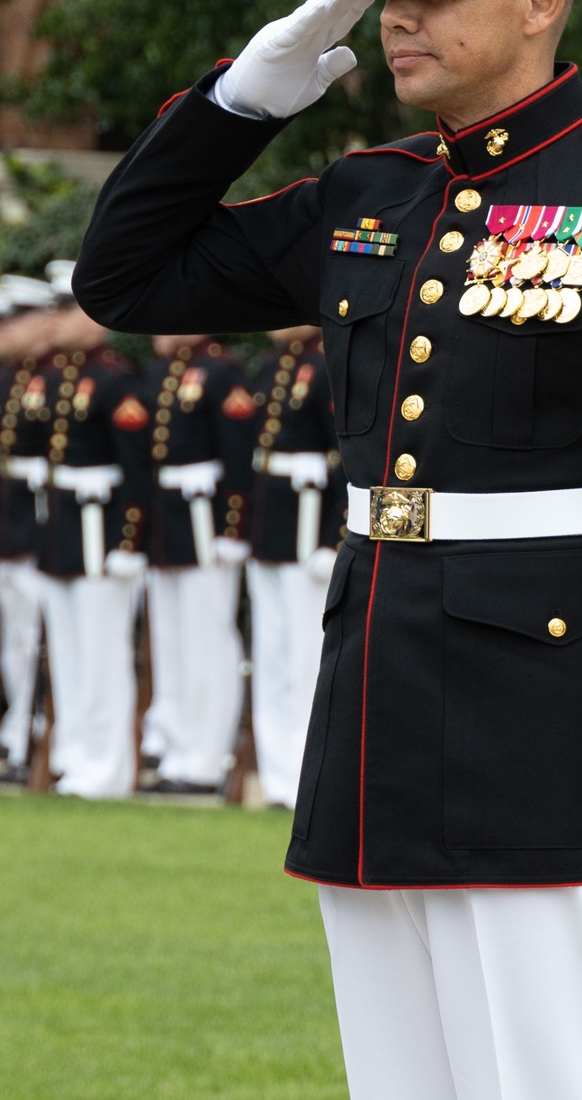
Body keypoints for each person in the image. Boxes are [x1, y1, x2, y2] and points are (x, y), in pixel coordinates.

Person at [74, 0, 582, 1098]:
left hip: (549, 745)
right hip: (378, 723)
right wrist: (248, 97)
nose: (399, 13)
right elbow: (124, 275)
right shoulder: (375, 193)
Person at [29, 260, 153, 799]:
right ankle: (74, 756)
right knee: (70, 652)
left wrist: (129, 541)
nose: (56, 319)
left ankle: (106, 767)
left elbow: (138, 469)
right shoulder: (58, 377)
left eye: (67, 308)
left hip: (102, 532)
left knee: (102, 655)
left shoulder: (114, 378)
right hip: (64, 529)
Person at [137, 335, 256, 793]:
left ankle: (205, 759)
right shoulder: (162, 372)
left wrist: (231, 528)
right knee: (170, 640)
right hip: (168, 516)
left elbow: (238, 457)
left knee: (207, 638)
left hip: (205, 515)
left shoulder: (221, 370)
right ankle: (175, 750)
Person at [244, 326, 345, 808]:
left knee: (306, 658)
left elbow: (349, 455)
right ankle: (277, 773)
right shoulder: (271, 365)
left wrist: (336, 536)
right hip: (270, 526)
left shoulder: (327, 362)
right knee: (273, 656)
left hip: (309, 530)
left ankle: (306, 776)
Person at [0, 274, 59, 781]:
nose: (0, 333)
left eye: (11, 321)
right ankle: (16, 731)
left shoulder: (55, 381)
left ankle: (39, 730)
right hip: (9, 521)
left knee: (37, 636)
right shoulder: (5, 381)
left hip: (42, 524)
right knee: (14, 637)